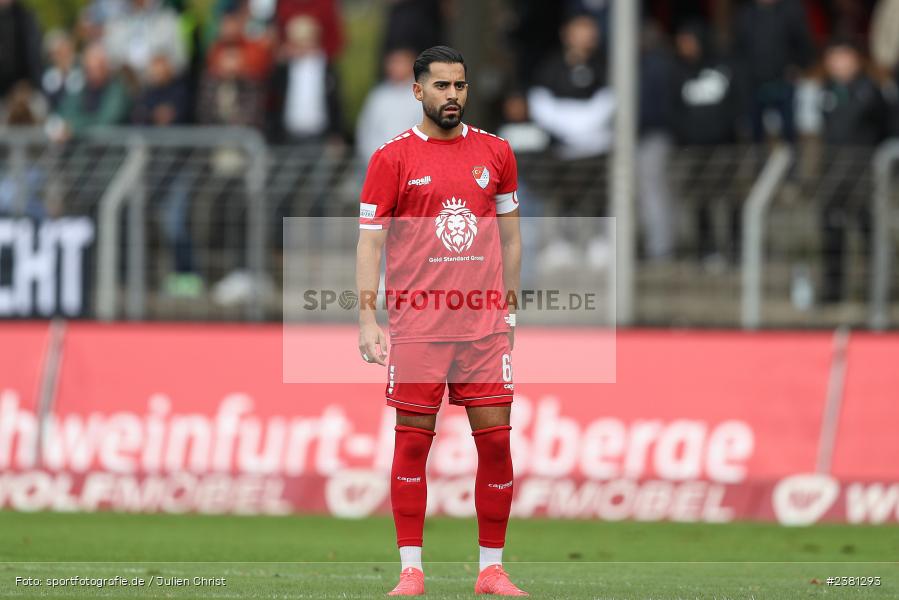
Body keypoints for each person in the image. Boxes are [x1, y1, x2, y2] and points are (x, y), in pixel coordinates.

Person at [356, 46, 528, 597]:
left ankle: (491, 570)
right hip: (418, 328)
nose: (451, 95)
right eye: (441, 86)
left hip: (482, 326)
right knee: (412, 446)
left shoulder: (496, 152)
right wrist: (367, 318)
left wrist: (511, 303)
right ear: (417, 92)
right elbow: (370, 243)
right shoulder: (391, 159)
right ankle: (411, 569)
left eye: (459, 86)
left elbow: (512, 234)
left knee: (497, 445)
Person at [817, 39, 887, 303]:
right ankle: (833, 290)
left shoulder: (871, 90)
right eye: (832, 58)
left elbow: (887, 127)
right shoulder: (827, 91)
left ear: (856, 59)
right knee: (832, 230)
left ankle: (875, 290)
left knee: (868, 231)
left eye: (842, 57)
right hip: (833, 173)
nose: (837, 63)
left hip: (865, 174)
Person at [670, 21, 740, 265]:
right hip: (694, 148)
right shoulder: (677, 71)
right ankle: (705, 248)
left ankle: (735, 248)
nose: (685, 46)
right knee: (701, 201)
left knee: (731, 199)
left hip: (725, 147)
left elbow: (737, 103)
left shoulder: (724, 67)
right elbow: (672, 108)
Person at [733, 0, 814, 143]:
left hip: (783, 79)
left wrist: (798, 66)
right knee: (754, 129)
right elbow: (738, 47)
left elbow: (804, 42)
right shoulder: (745, 13)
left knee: (789, 129)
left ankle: (791, 162)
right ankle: (759, 162)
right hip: (754, 81)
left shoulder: (791, 10)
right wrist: (742, 75)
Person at [355, 48, 421, 162]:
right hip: (381, 163)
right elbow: (366, 130)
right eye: (393, 62)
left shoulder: (423, 96)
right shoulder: (379, 96)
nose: (396, 67)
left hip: (414, 166)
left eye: (401, 62)